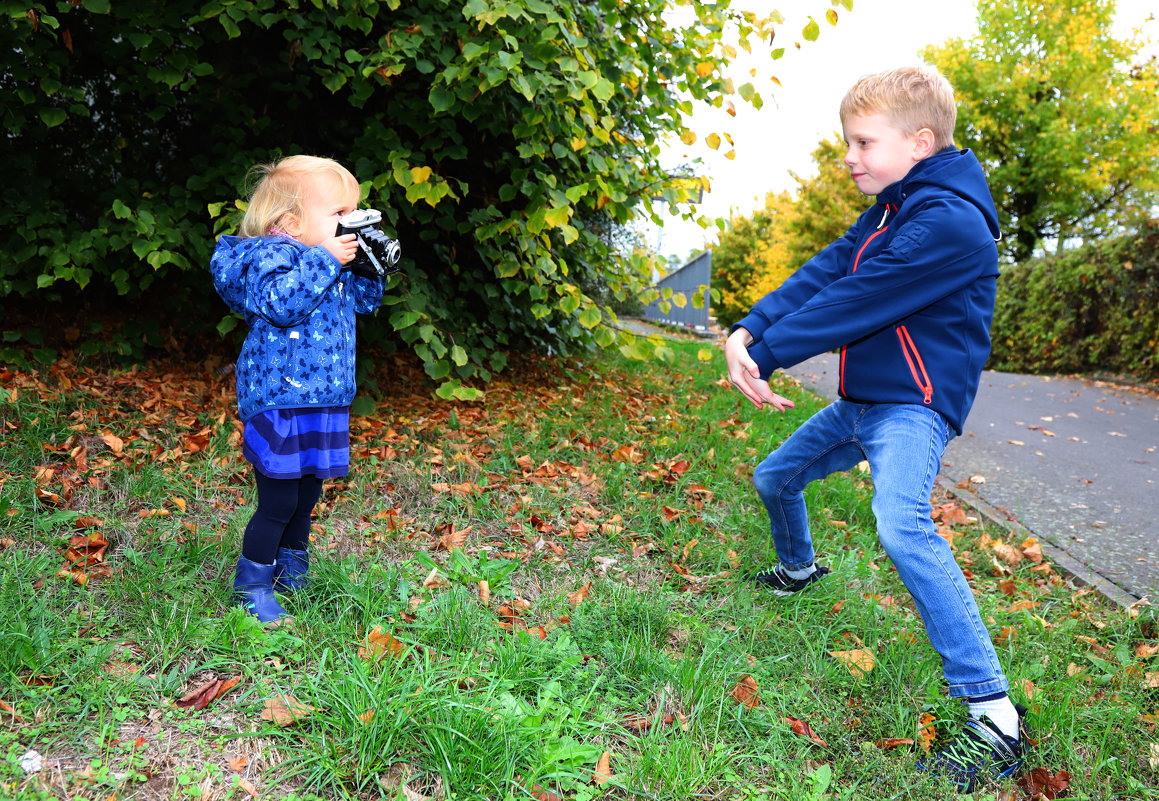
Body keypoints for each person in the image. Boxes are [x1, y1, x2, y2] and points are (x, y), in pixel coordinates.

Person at [724, 66, 1025, 793]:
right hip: (863, 401)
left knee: (900, 524)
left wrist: (764, 354)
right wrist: (750, 324)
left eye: (862, 141)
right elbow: (829, 269)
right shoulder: (892, 209)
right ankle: (799, 568)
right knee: (775, 476)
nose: (849, 156)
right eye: (846, 141)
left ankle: (995, 717)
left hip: (911, 408)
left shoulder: (947, 223)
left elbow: (860, 298)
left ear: (919, 141)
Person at [210, 155, 385, 625]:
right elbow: (281, 304)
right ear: (291, 221)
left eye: (355, 213)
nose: (351, 223)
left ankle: (291, 566)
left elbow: (367, 303)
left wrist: (368, 266)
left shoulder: (332, 260)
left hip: (324, 396)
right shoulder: (271, 256)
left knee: (308, 493)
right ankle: (252, 584)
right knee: (280, 499)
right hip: (280, 395)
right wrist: (327, 259)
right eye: (339, 215)